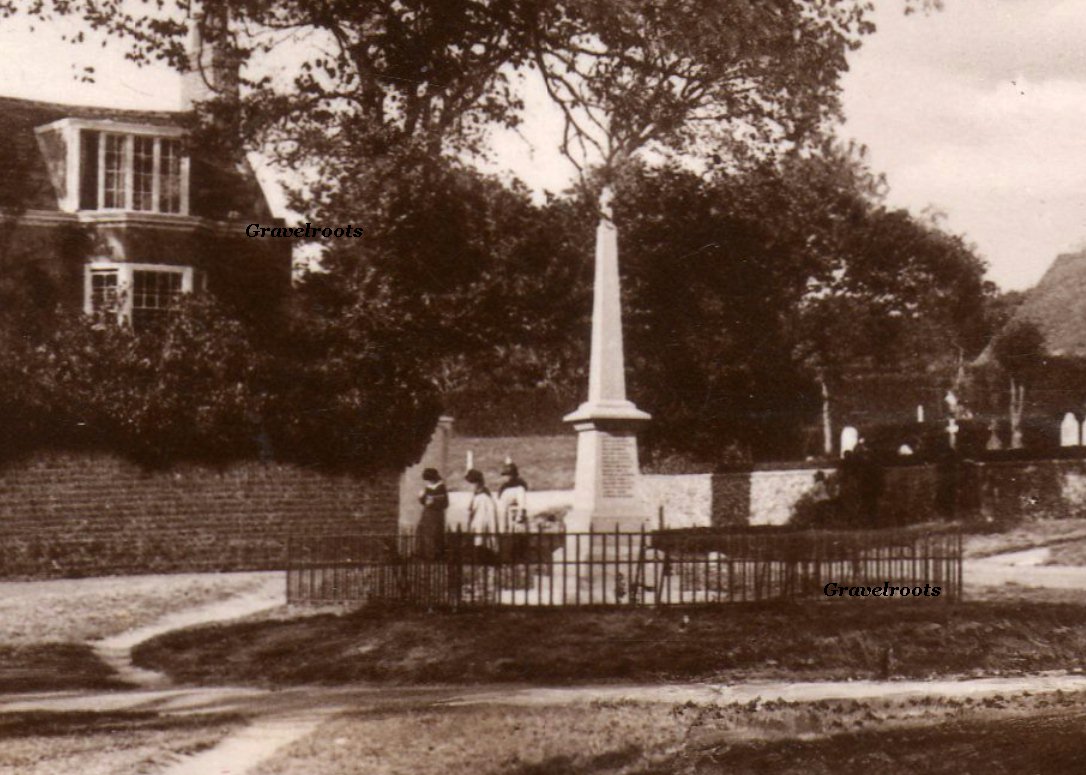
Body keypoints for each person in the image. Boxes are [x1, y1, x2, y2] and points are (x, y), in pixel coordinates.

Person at [465, 468, 499, 558]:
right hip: (476, 525)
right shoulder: (476, 495)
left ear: (477, 483)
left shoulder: (484, 497)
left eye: (471, 483)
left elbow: (490, 517)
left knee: (480, 546)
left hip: (482, 526)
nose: (470, 486)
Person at [416, 468, 448, 560]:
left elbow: (445, 503)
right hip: (427, 513)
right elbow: (424, 501)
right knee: (422, 531)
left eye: (431, 479)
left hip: (436, 514)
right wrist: (422, 498)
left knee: (434, 533)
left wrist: (433, 501)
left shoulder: (441, 487)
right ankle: (423, 554)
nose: (430, 481)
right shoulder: (427, 487)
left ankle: (433, 555)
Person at [497, 461, 529, 532]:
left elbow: (522, 506)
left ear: (513, 475)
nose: (505, 477)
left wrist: (518, 520)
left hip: (514, 521)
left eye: (508, 475)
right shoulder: (504, 488)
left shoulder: (519, 488)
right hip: (504, 518)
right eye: (505, 475)